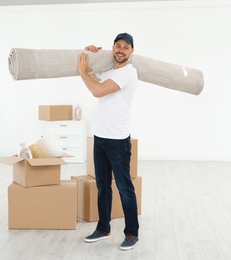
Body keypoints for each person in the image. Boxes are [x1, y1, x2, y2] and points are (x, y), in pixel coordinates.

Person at [77, 32, 139, 251]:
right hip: (100, 136)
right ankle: (103, 228)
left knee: (124, 188)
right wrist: (88, 51)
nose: (121, 50)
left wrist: (82, 73)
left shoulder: (128, 73)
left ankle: (131, 233)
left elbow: (97, 90)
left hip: (117, 141)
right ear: (113, 48)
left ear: (131, 51)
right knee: (103, 186)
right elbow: (92, 69)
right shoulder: (109, 69)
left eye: (126, 47)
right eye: (117, 45)